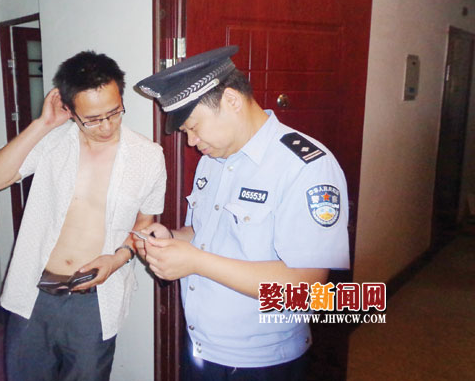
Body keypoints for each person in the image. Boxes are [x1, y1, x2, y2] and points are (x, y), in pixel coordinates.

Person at [133, 46, 349, 380]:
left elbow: (306, 287)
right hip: (202, 347)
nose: (191, 141)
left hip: (263, 361)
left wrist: (195, 262)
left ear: (231, 100)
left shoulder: (305, 167)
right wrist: (171, 239)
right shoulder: (213, 158)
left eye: (193, 127)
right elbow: (206, 233)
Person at [0, 51, 166, 381]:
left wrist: (118, 259)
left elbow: (144, 224)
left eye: (114, 112)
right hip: (34, 293)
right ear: (70, 110)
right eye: (92, 119)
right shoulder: (52, 142)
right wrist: (42, 124)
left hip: (93, 301)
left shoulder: (148, 157)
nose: (106, 126)